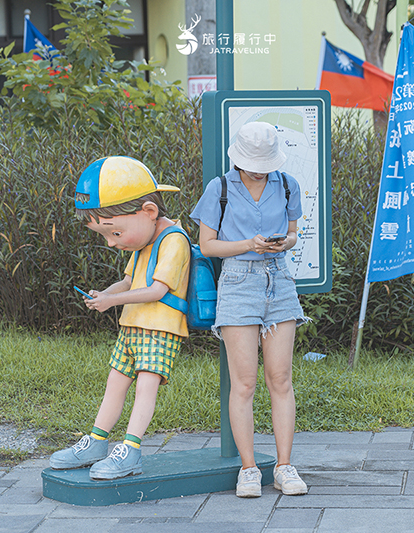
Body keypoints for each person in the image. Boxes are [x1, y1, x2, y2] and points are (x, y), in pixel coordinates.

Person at [50, 155, 190, 481]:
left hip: (160, 328)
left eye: (115, 233)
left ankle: (131, 449)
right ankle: (98, 441)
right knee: (115, 383)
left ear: (149, 212)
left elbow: (156, 290)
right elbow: (128, 282)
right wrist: (105, 295)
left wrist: (113, 301)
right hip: (132, 326)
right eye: (105, 235)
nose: (112, 243)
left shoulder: (173, 240)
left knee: (145, 386)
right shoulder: (143, 240)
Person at [190, 122, 309, 498]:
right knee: (243, 383)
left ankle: (285, 466)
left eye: (265, 163)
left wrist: (281, 243)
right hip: (239, 283)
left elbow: (293, 233)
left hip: (279, 280)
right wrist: (248, 244)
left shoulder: (287, 183)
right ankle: (249, 468)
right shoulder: (220, 188)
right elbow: (207, 246)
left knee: (281, 379)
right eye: (253, 163)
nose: (259, 169)